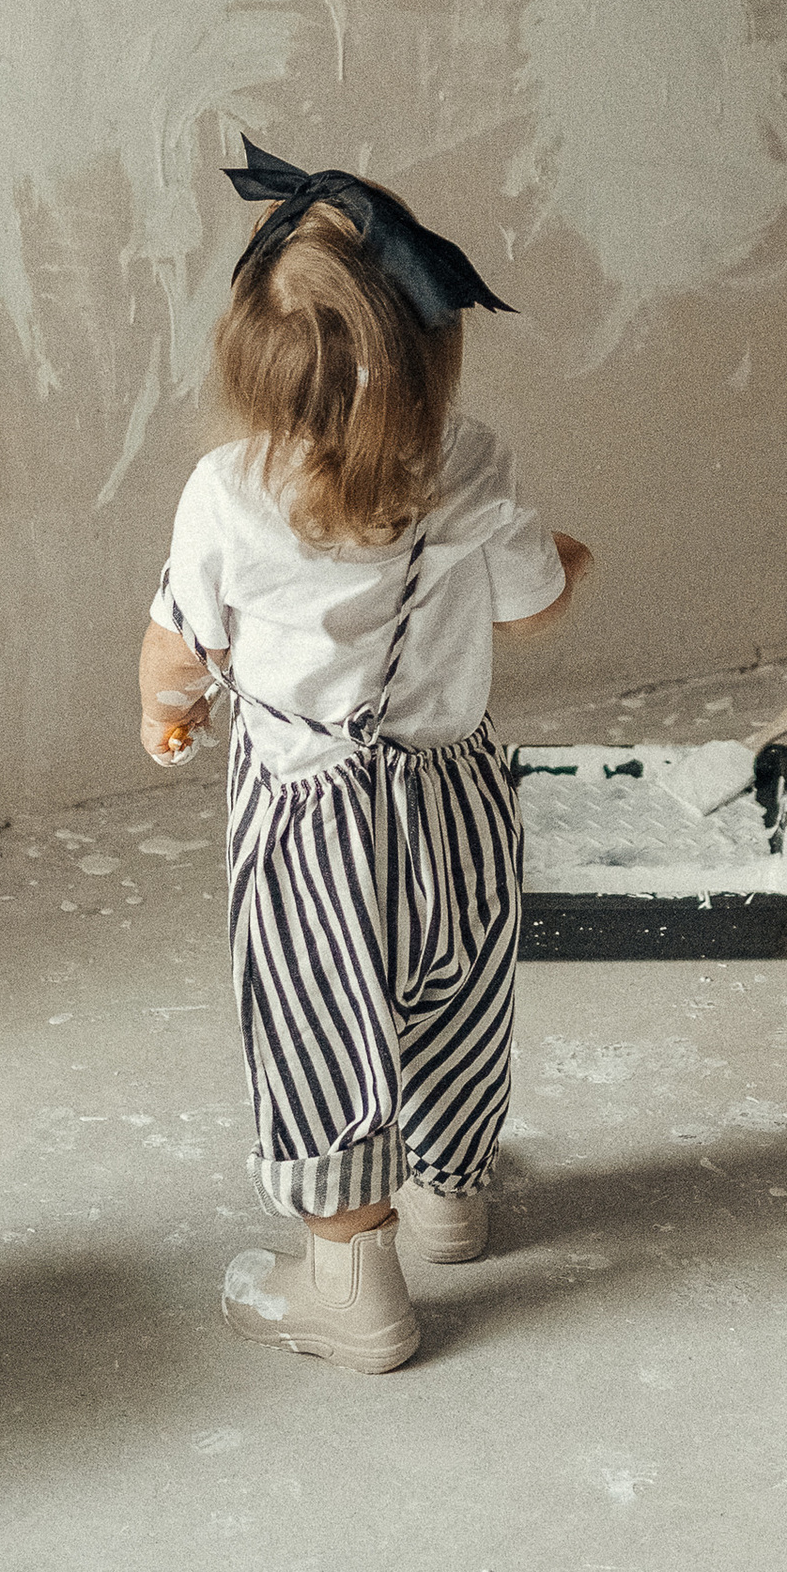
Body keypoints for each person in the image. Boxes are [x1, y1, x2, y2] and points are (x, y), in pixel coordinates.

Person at [138, 141, 590, 1368]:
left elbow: (177, 651)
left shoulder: (225, 494)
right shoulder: (473, 462)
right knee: (455, 988)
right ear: (430, 353)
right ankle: (449, 1192)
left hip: (305, 811)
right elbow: (530, 608)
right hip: (452, 794)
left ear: (250, 368)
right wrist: (572, 560)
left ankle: (354, 1284)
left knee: (320, 1022)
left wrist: (164, 715)